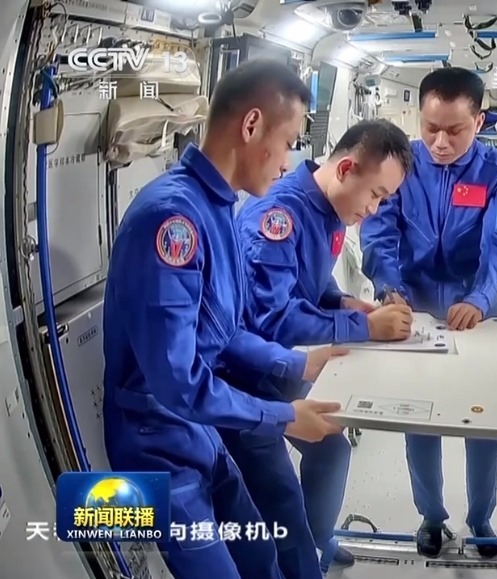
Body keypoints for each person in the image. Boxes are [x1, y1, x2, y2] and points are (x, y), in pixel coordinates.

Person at [102, 59, 345, 579]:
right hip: (156, 447)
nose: (288, 163)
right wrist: (282, 416)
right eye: (288, 142)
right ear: (252, 125)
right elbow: (178, 380)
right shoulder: (173, 220)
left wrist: (297, 365)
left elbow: (222, 330)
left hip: (199, 431)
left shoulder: (216, 208)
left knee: (263, 559)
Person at [226, 119, 415, 575]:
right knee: (282, 501)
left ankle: (318, 541)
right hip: (238, 376)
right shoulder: (277, 216)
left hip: (278, 366)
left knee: (332, 449)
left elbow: (309, 279)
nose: (373, 209)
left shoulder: (329, 210)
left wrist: (342, 302)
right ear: (347, 169)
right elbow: (271, 316)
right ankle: (301, 558)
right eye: (375, 195)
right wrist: (363, 327)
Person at [359, 67, 497, 559]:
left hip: (476, 312)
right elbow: (379, 232)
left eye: (455, 130)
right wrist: (390, 288)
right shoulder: (401, 165)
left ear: (480, 121)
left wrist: (481, 296)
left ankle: (481, 516)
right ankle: (431, 515)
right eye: (431, 129)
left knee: (483, 422)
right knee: (420, 419)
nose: (441, 142)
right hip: (415, 306)